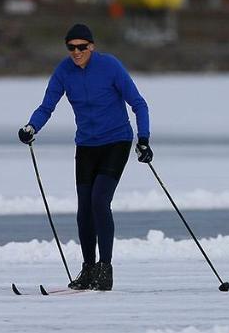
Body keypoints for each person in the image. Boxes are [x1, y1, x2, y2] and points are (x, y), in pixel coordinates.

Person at [19, 24, 152, 291]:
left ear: (92, 46)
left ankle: (105, 269)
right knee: (84, 209)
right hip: (87, 146)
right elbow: (47, 106)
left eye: (82, 47)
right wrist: (31, 127)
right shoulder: (63, 71)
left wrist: (144, 138)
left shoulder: (110, 66)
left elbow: (138, 103)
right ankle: (89, 269)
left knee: (100, 201)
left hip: (116, 141)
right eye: (71, 47)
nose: (76, 52)